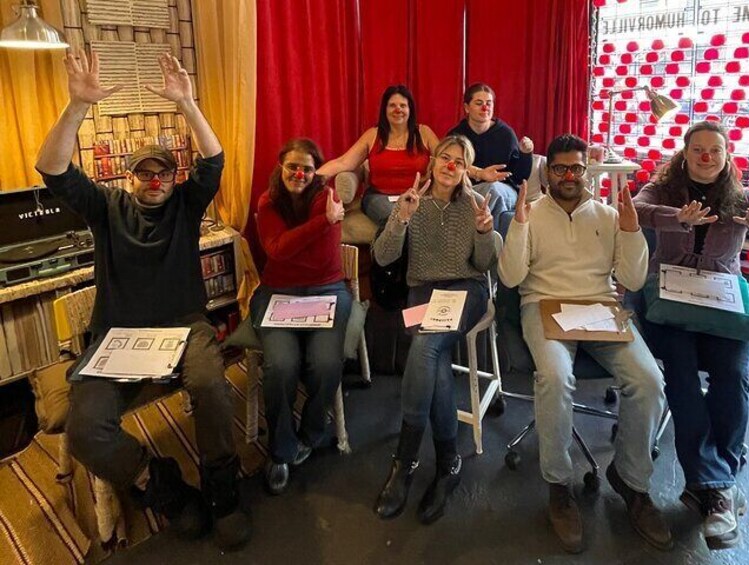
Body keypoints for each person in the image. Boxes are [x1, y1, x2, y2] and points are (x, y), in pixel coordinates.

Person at [35, 49, 250, 551]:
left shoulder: (186, 206)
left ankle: (222, 491)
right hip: (117, 336)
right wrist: (77, 105)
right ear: (128, 178)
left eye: (164, 174)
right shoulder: (105, 207)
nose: (155, 181)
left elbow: (214, 160)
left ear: (174, 179)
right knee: (86, 429)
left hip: (185, 326)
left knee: (212, 386)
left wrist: (188, 104)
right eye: (145, 173)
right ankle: (163, 485)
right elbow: (52, 169)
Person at [632, 120, 749, 550]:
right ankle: (720, 490)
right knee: (680, 373)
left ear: (726, 156)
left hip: (723, 307)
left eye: (714, 150)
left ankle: (712, 485)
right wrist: (676, 217)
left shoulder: (743, 197)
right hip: (669, 302)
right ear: (684, 154)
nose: (706, 157)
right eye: (697, 149)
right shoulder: (663, 190)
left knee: (733, 372)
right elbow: (634, 209)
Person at [498, 134, 672, 554]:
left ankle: (631, 481)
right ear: (548, 173)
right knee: (556, 377)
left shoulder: (608, 216)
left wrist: (631, 232)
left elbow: (631, 281)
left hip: (600, 308)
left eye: (576, 168)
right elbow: (510, 278)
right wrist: (518, 226)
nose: (569, 176)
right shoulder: (531, 213)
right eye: (560, 168)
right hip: (543, 304)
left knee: (649, 380)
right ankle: (559, 486)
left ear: (586, 171)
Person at [372, 135, 501, 524]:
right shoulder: (413, 202)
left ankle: (405, 459)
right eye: (445, 157)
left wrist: (485, 232)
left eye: (459, 162)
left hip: (467, 290)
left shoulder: (475, 204)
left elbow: (484, 264)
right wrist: (401, 218)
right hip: (423, 293)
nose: (450, 166)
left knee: (426, 348)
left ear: (465, 171)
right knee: (434, 354)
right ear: (433, 161)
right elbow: (383, 256)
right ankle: (448, 463)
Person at [250, 138, 352, 495]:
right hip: (277, 293)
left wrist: (304, 236)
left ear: (315, 171)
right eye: (293, 166)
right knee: (280, 366)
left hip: (327, 290)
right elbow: (276, 250)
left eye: (307, 168)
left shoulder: (328, 198)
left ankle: (309, 434)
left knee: (326, 364)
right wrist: (321, 224)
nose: (299, 174)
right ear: (281, 166)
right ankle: (280, 450)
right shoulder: (268, 201)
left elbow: (320, 260)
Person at [316, 85, 440, 225]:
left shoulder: (424, 133)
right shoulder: (372, 135)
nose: (398, 109)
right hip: (378, 198)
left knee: (420, 220)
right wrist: (314, 179)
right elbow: (343, 162)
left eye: (403, 105)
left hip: (415, 197)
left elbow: (446, 159)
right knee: (395, 219)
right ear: (384, 110)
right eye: (392, 105)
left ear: (410, 109)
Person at [448, 83, 534, 235]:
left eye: (489, 103)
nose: (485, 108)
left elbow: (520, 177)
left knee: (493, 190)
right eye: (479, 103)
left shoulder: (506, 134)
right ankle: (491, 242)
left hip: (504, 190)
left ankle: (484, 240)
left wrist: (526, 154)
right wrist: (480, 174)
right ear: (467, 108)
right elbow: (450, 167)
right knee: (484, 195)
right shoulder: (456, 135)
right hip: (468, 190)